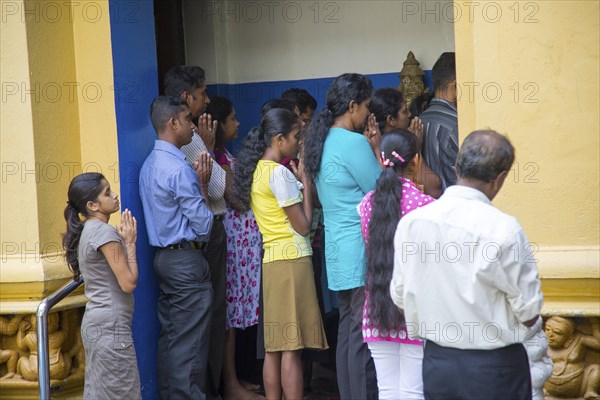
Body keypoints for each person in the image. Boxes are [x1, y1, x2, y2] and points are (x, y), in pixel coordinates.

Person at [390, 130, 544, 400]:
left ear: (456, 167)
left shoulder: (413, 224)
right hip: (496, 368)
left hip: (438, 364)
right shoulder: (504, 229)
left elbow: (400, 298)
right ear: (499, 179)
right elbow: (529, 311)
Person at [233, 108, 328, 400]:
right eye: (296, 136)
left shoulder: (259, 170)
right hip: (292, 262)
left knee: (274, 348)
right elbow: (303, 226)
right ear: (278, 138)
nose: (299, 142)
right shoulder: (279, 174)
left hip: (272, 261)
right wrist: (308, 185)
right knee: (292, 348)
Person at [303, 73, 380, 400]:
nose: (366, 115)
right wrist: (377, 151)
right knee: (361, 336)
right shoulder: (354, 143)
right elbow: (381, 192)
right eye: (365, 107)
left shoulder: (319, 141)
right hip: (359, 248)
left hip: (337, 249)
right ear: (352, 106)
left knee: (349, 332)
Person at [139, 96, 214, 399]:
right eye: (188, 118)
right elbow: (205, 227)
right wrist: (205, 186)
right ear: (173, 123)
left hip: (163, 260)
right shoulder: (179, 169)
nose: (193, 126)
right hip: (186, 260)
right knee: (190, 346)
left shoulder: (150, 164)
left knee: (172, 340)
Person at [164, 65, 228, 400]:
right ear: (186, 99)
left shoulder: (181, 142)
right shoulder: (188, 139)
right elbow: (219, 188)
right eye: (202, 92)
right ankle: (209, 389)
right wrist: (208, 145)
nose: (206, 99)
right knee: (208, 321)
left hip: (186, 248)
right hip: (201, 241)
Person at [358, 129, 435, 399]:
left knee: (387, 389)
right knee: (414, 391)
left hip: (376, 306)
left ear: (381, 159)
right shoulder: (426, 206)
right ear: (415, 162)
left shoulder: (366, 204)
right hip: (414, 309)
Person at [61, 172, 140, 399]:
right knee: (122, 393)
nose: (115, 196)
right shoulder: (104, 233)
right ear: (92, 205)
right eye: (107, 193)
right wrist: (130, 242)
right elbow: (128, 282)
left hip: (98, 325)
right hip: (111, 328)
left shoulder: (89, 230)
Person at [207, 96, 264, 400]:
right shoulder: (217, 161)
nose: (238, 123)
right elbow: (238, 200)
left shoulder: (225, 155)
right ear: (219, 125)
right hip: (233, 248)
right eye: (232, 118)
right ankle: (230, 385)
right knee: (231, 319)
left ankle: (237, 380)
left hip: (243, 248)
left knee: (237, 319)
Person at [369, 88, 442, 197]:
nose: (409, 114)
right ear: (391, 120)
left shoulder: (371, 143)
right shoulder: (397, 147)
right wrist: (415, 147)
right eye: (404, 111)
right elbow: (434, 189)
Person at [419, 52, 458, 196]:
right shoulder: (456, 124)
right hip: (457, 209)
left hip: (429, 208)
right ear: (455, 86)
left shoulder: (419, 120)